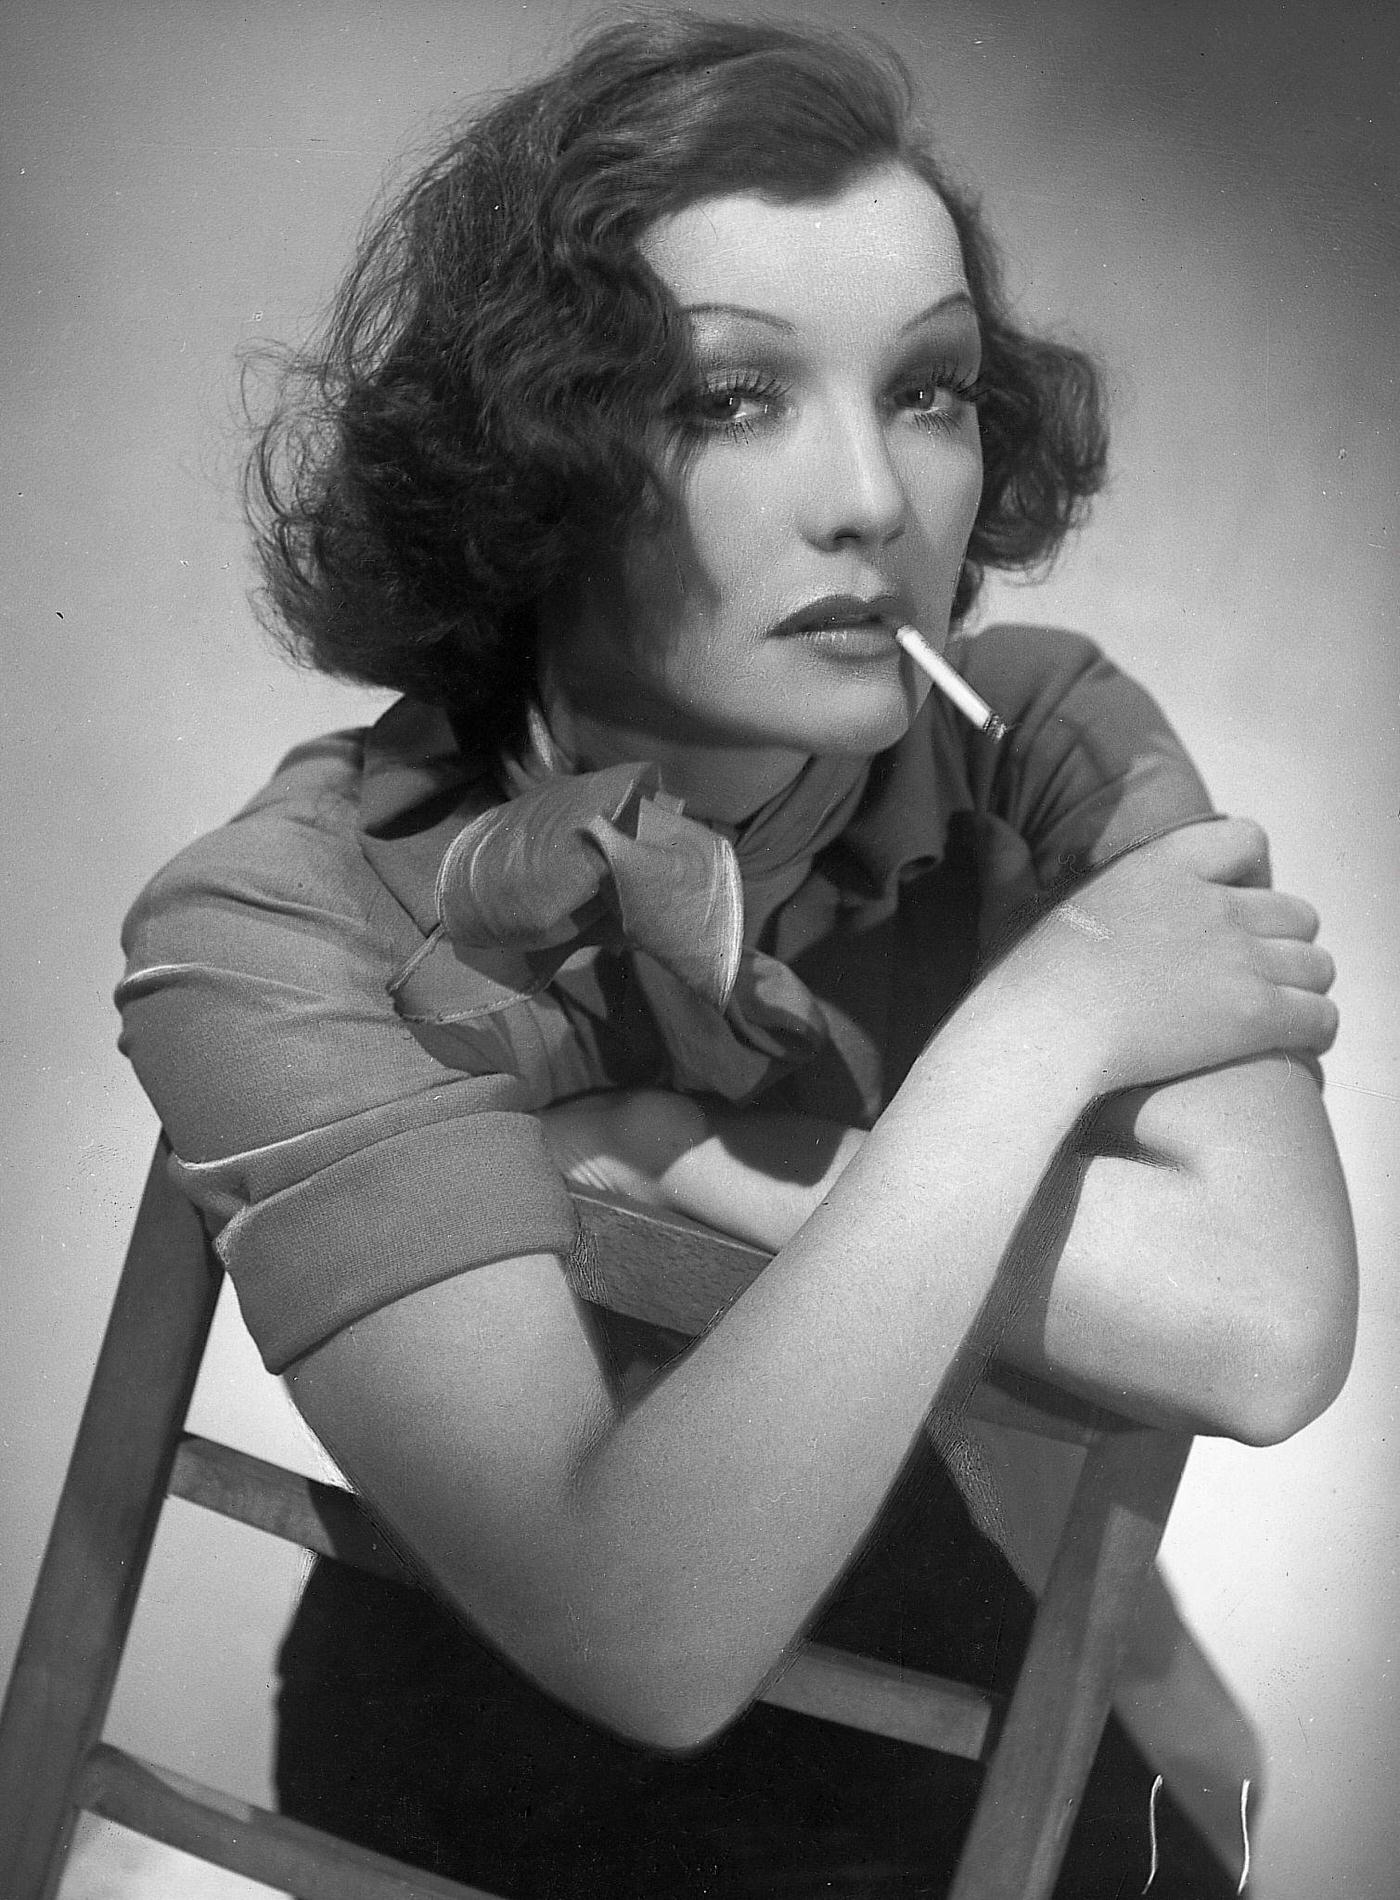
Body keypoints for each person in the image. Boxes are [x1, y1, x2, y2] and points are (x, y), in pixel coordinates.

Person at [116, 14, 1356, 1896]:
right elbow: (641, 1639)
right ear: (530, 448)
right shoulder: (279, 918)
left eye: (930, 389)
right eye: (729, 399)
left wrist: (666, 1147)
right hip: (493, 1799)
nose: (872, 498)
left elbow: (1264, 1336)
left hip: (984, 1768)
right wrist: (1049, 1027)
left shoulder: (1045, 737)